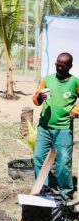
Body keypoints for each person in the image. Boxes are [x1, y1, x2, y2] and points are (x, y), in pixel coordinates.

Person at [33, 52, 79, 199]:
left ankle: (65, 193)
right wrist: (39, 97)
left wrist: (76, 110)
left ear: (70, 67)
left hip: (64, 128)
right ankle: (41, 189)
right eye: (57, 65)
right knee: (39, 157)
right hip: (44, 127)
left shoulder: (75, 82)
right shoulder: (46, 80)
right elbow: (36, 100)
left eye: (63, 66)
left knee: (63, 162)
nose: (59, 68)